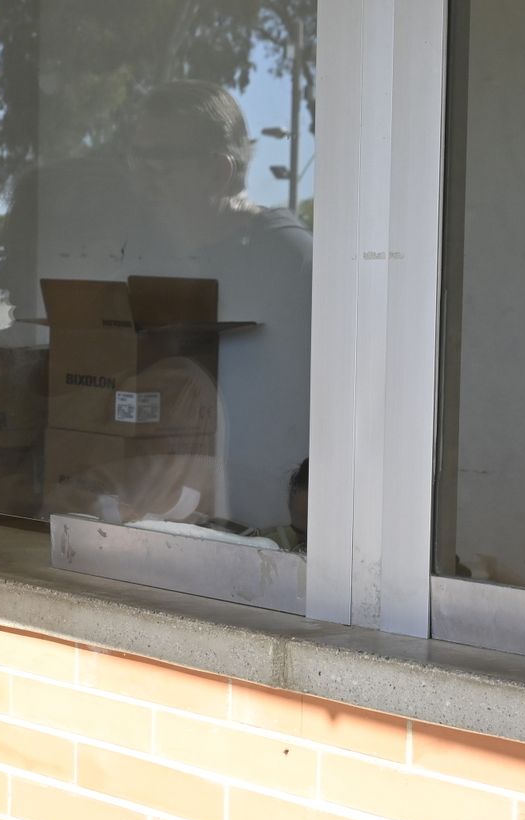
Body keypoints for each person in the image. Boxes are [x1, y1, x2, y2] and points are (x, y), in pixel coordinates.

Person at [126, 79, 314, 529]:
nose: (142, 176)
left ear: (217, 171)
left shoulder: (291, 260)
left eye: (160, 161)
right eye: (137, 159)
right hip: (180, 524)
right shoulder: (163, 255)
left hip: (267, 539)